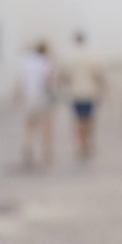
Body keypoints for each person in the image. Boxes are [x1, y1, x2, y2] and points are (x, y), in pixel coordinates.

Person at [63, 32, 106, 161]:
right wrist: (103, 88)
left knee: (79, 120)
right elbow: (98, 75)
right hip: (90, 92)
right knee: (89, 119)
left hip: (76, 93)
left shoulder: (70, 58)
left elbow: (66, 76)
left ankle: (81, 144)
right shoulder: (92, 56)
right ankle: (88, 142)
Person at [15, 41, 56, 169]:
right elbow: (48, 80)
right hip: (41, 95)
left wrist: (19, 95)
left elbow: (20, 81)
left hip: (29, 96)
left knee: (29, 124)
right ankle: (47, 152)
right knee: (46, 124)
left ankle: (28, 145)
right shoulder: (45, 62)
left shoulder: (25, 61)